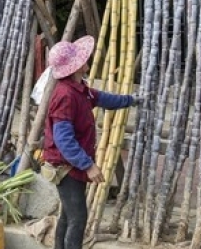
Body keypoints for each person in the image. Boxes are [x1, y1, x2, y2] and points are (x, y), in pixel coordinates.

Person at [43, 35, 140, 249]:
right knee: (77, 217)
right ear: (76, 67)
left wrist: (131, 100)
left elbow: (104, 98)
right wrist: (88, 165)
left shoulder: (80, 89)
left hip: (70, 164)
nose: (86, 58)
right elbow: (63, 139)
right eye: (81, 58)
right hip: (65, 166)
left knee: (68, 215)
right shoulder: (66, 96)